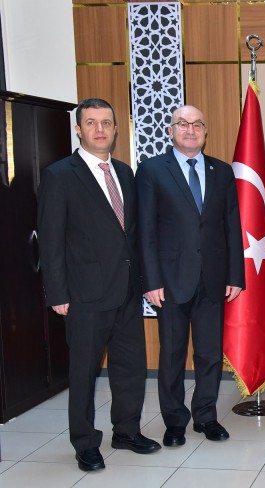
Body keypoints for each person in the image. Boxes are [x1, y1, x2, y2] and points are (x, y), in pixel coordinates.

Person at [38, 98, 161, 472]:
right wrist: (57, 293)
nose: (100, 129)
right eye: (91, 123)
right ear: (78, 129)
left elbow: (131, 234)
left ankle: (126, 431)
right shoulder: (60, 175)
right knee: (84, 373)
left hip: (126, 292)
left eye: (106, 122)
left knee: (130, 368)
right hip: (84, 295)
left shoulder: (124, 172)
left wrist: (145, 281)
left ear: (116, 129)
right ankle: (85, 442)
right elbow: (51, 239)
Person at [136, 105, 245, 447]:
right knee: (172, 354)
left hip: (213, 280)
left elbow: (231, 226)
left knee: (209, 354)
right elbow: (145, 230)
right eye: (182, 124)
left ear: (205, 131)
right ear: (171, 130)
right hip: (170, 282)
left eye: (197, 124)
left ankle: (206, 416)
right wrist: (151, 280)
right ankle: (174, 421)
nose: (190, 129)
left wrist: (235, 275)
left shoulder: (222, 171)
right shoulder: (152, 170)